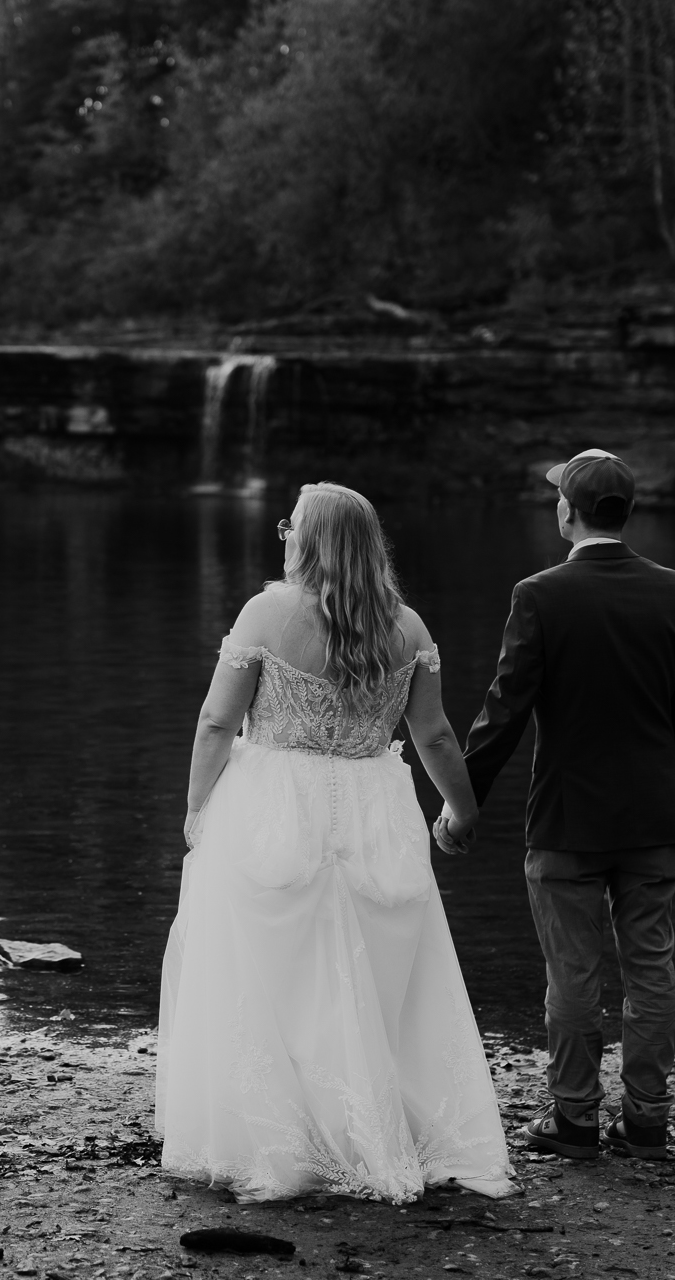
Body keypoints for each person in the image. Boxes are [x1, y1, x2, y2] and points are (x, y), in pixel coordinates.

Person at [156, 482, 515, 1203]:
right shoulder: (407, 628)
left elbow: (216, 723)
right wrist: (461, 811)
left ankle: (284, 1140)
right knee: (378, 982)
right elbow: (435, 734)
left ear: (308, 539)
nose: (282, 532)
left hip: (272, 807)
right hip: (374, 809)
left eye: (291, 523)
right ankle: (379, 1129)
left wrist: (198, 808)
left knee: (269, 978)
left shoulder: (267, 612)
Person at [444, 448, 675, 1161]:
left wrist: (459, 806)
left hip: (568, 819)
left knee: (574, 974)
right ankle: (648, 1123)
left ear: (569, 512)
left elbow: (504, 711)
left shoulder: (540, 593)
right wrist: (674, 807)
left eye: (559, 494)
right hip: (654, 817)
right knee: (651, 966)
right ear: (627, 513)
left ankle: (575, 1119)